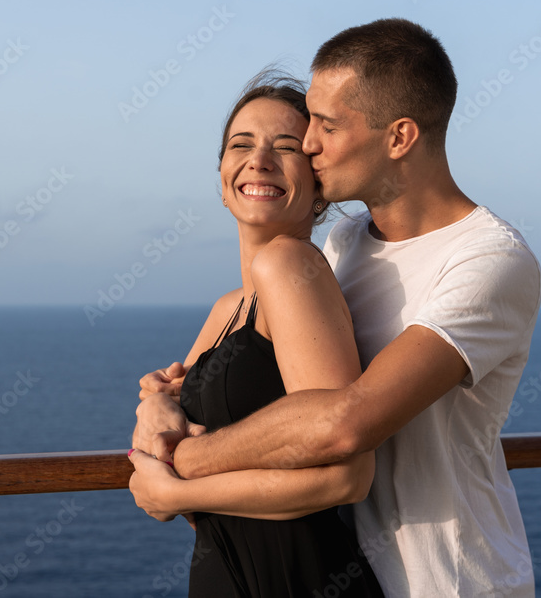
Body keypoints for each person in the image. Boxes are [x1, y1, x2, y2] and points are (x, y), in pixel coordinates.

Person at [134, 19, 541, 597]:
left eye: (325, 125)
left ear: (399, 137)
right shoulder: (343, 246)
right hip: (343, 567)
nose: (308, 143)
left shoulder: (488, 262)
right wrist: (157, 403)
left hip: (447, 580)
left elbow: (344, 422)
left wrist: (185, 464)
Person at [128, 72, 384, 597]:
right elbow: (171, 414)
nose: (259, 160)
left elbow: (346, 476)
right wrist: (153, 405)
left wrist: (176, 495)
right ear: (222, 178)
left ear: (317, 188)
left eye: (286, 147)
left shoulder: (289, 265)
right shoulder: (231, 306)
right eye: (240, 145)